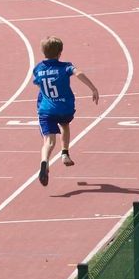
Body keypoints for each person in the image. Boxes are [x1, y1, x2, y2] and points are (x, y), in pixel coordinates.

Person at [31, 36, 100, 187]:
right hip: (64, 108)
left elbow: (38, 84)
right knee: (65, 126)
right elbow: (78, 73)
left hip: (46, 109)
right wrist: (93, 88)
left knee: (48, 141)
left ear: (43, 52)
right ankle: (65, 153)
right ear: (60, 52)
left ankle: (44, 162)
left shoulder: (38, 69)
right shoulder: (65, 67)